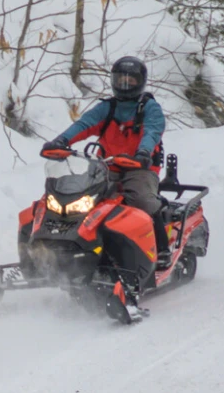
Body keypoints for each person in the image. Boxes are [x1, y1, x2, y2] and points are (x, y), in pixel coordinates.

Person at [41, 55, 170, 267]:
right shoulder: (108, 108)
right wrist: (61, 141)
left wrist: (143, 153)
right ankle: (73, 248)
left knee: (140, 200)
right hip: (105, 167)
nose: (125, 84)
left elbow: (152, 131)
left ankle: (162, 248)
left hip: (139, 169)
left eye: (131, 80)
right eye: (121, 80)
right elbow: (84, 125)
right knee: (77, 198)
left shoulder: (149, 108)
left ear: (141, 82)